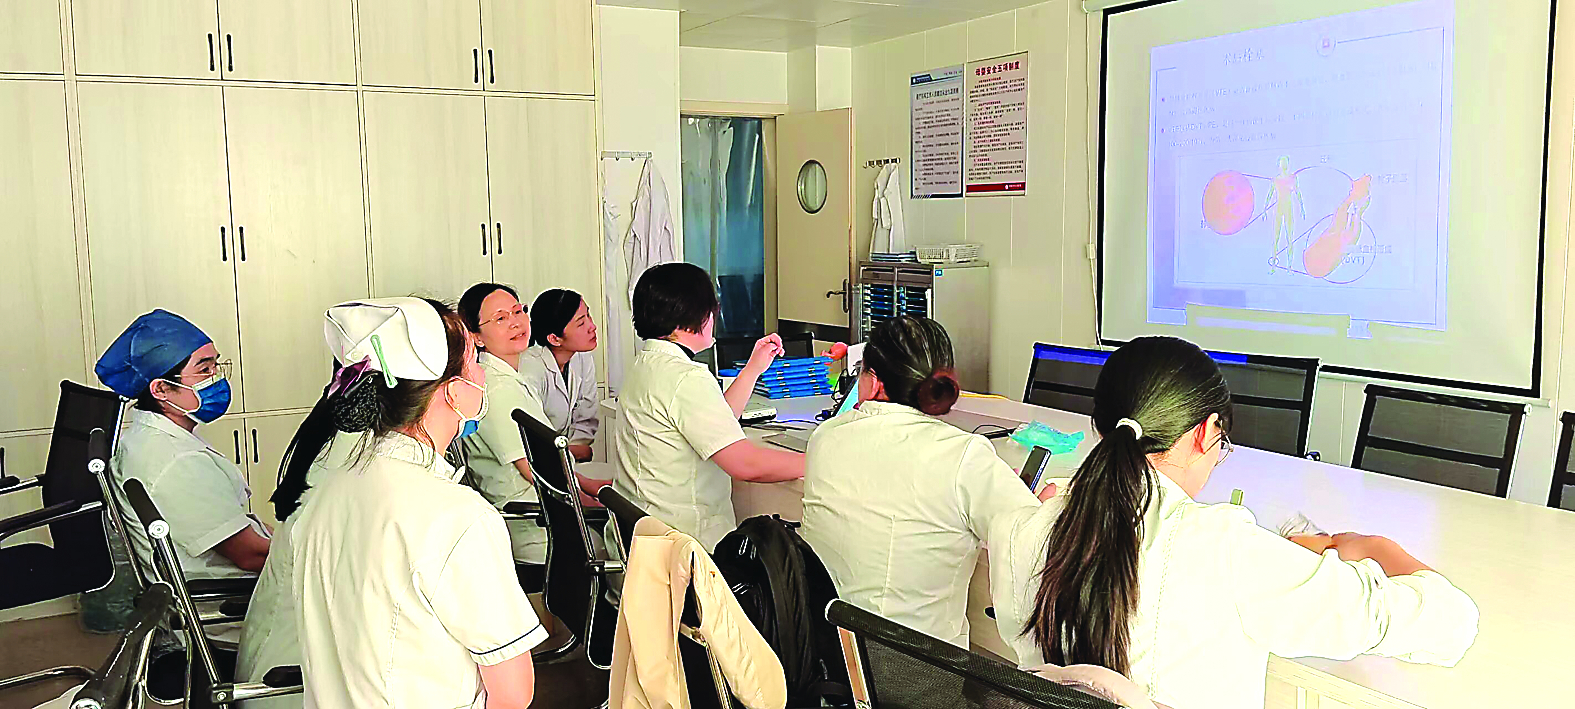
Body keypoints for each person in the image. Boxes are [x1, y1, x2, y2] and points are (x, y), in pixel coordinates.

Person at [987, 336, 1479, 709]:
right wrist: (1368, 546)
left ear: (1098, 428)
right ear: (1207, 433)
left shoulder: (1019, 530)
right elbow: (1450, 625)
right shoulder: (1223, 548)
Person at [286, 297, 546, 708]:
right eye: (474, 362)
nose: (482, 373)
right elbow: (513, 694)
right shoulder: (458, 517)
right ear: (453, 393)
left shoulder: (325, 495)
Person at [800, 316, 1044, 647]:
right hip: (921, 670)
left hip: (831, 656)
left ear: (875, 383)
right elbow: (1033, 542)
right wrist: (1046, 507)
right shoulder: (963, 456)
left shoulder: (825, 437)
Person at [611, 262, 803, 549]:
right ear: (694, 314)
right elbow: (745, 464)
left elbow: (715, 422)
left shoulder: (648, 364)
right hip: (683, 548)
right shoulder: (684, 377)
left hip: (641, 539)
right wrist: (820, 461)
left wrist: (753, 368)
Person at [95, 310, 270, 582]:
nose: (217, 378)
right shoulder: (178, 462)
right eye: (204, 370)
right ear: (161, 389)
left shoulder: (146, 438)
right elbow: (251, 555)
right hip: (229, 592)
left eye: (216, 365)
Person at [456, 283, 554, 566]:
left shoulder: (510, 377)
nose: (516, 322)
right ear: (477, 337)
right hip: (534, 523)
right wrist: (589, 495)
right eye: (500, 318)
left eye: (518, 311)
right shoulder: (498, 388)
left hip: (542, 512)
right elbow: (535, 471)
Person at [520, 288, 600, 463]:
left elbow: (586, 416)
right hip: (537, 462)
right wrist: (572, 452)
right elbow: (533, 438)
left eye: (588, 315)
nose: (592, 327)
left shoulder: (582, 356)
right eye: (581, 323)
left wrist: (574, 451)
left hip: (567, 458)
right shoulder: (530, 369)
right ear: (555, 339)